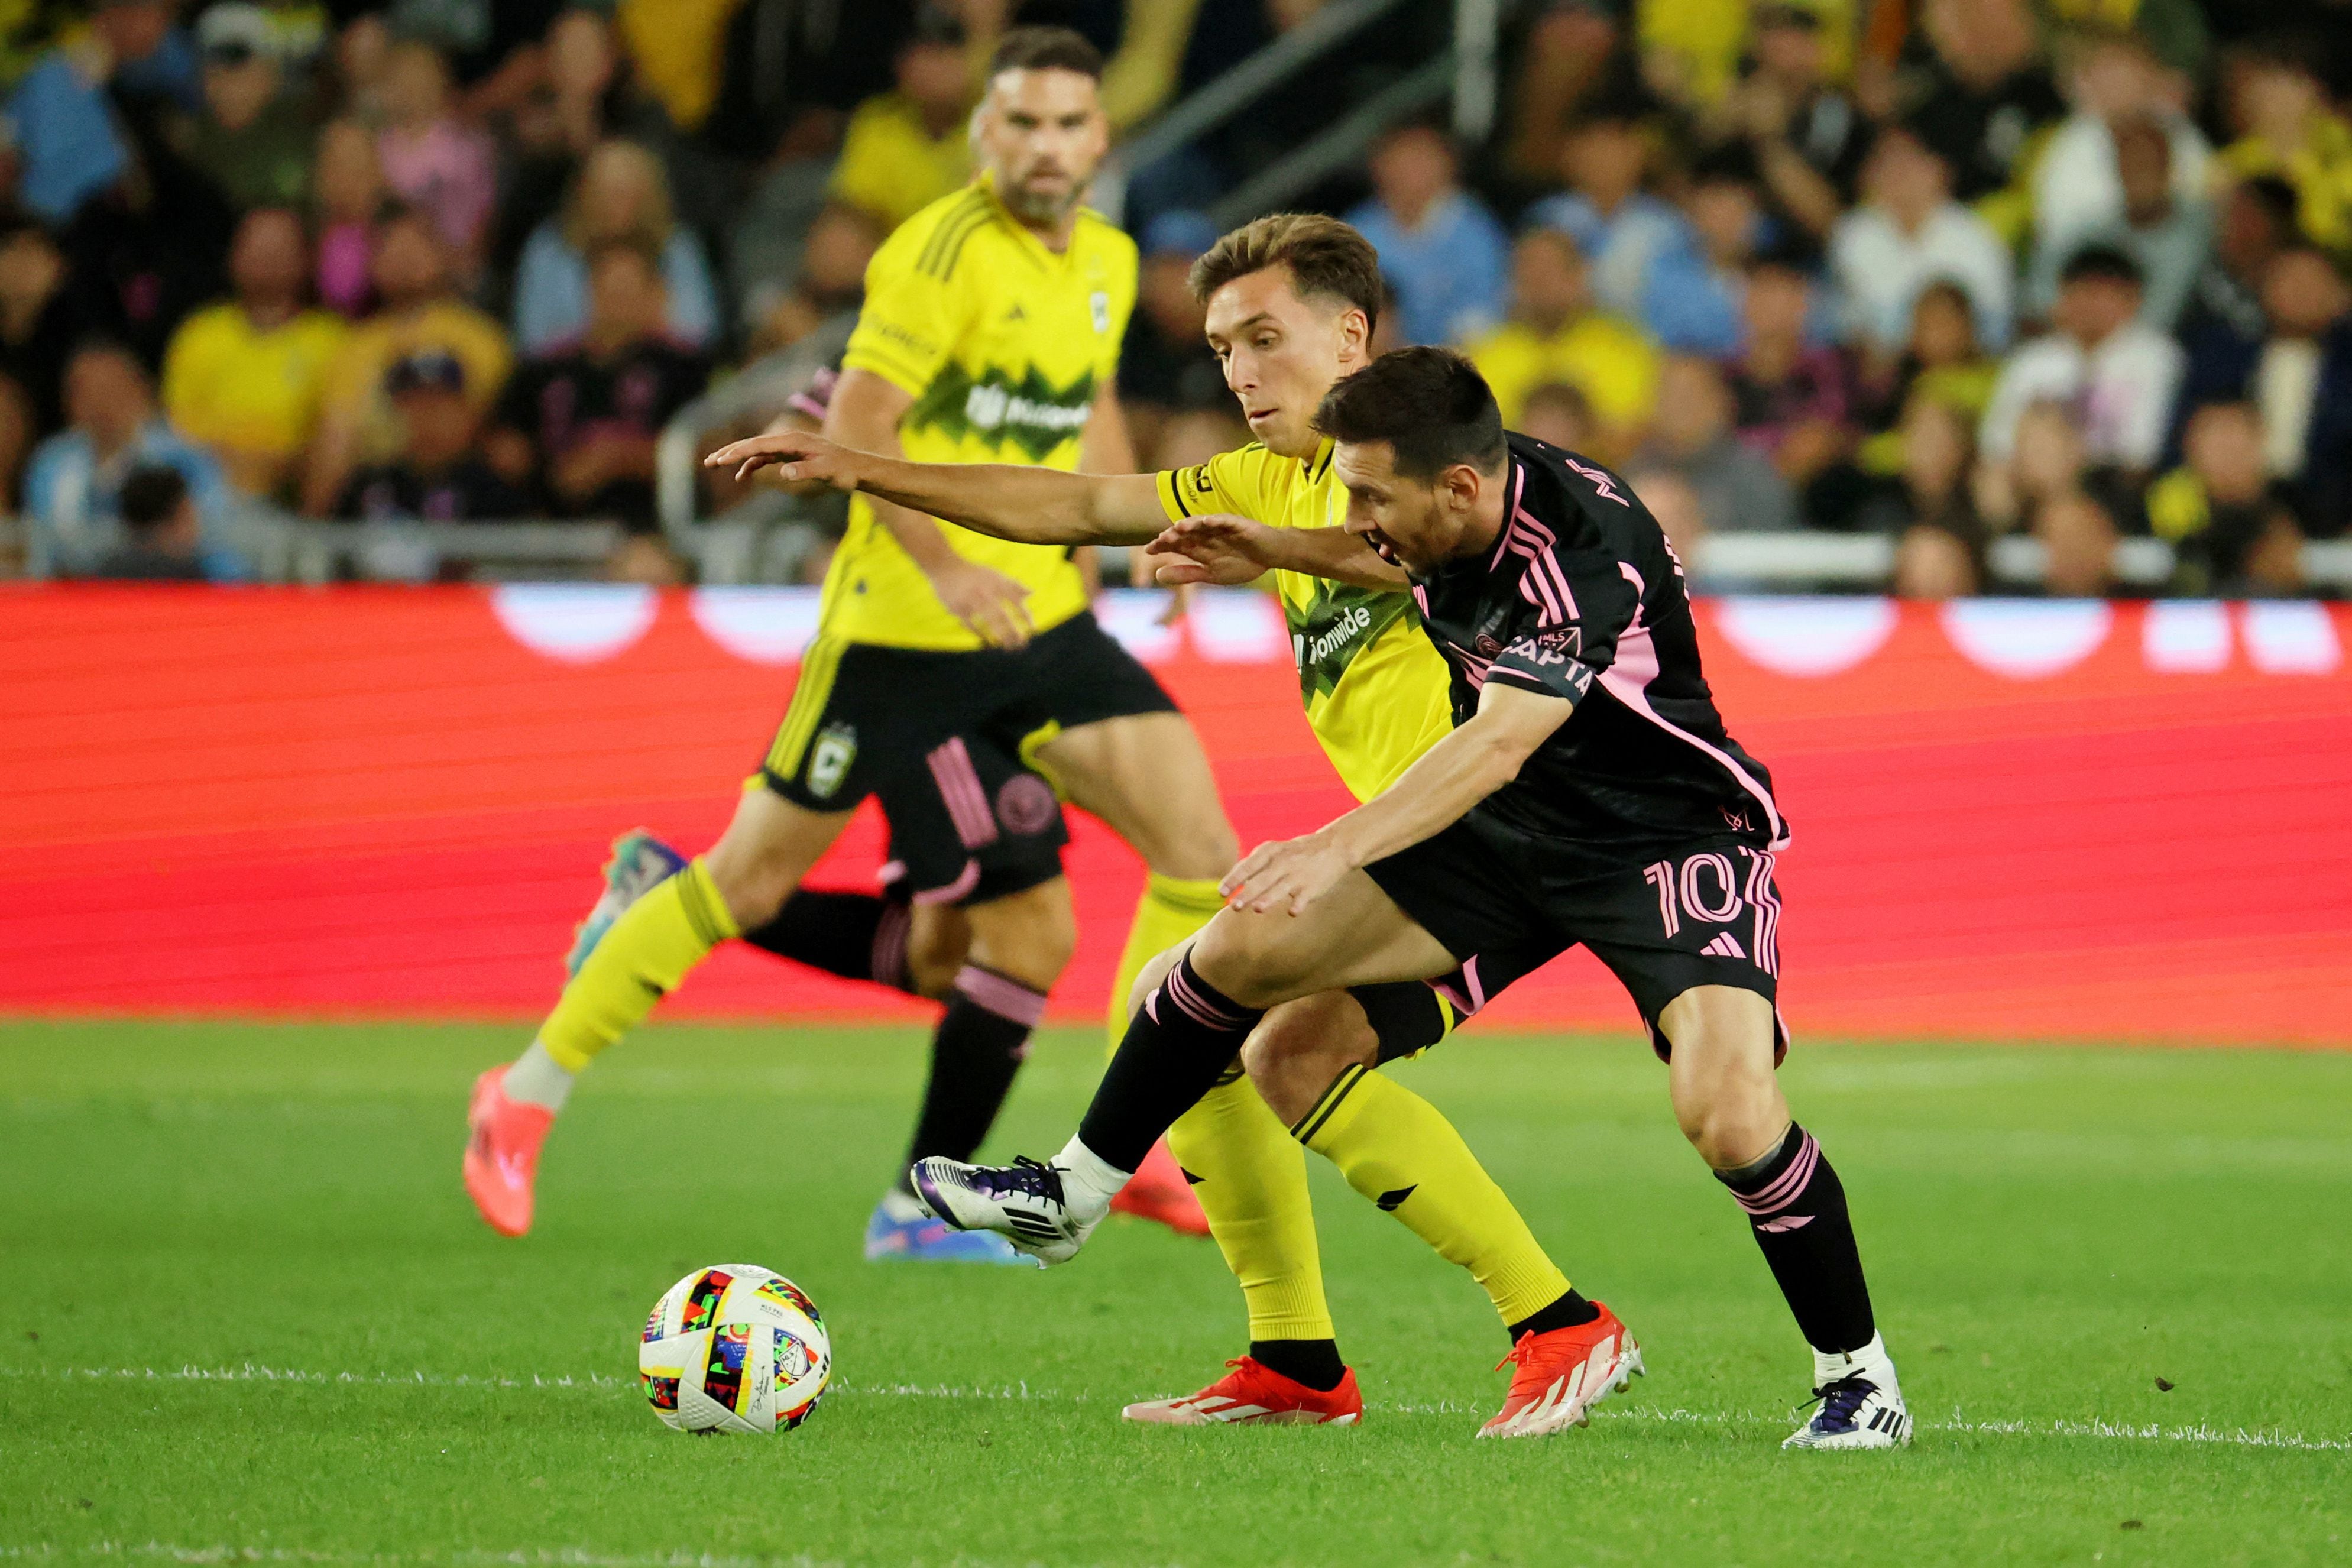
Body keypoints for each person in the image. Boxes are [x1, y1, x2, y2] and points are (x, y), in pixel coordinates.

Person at [757, 345, 1910, 1452]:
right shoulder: (1434, 494)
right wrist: (868, 469)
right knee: (1251, 1002)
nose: (1350, 517)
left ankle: (1856, 1379)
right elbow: (1315, 544)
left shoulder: (1583, 550)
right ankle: (1078, 1193)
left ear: (1455, 488)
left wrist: (1334, 848)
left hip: (1654, 841)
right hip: (1502, 841)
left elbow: (1501, 743)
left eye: (1364, 496)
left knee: (1725, 1112)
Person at [704, 214, 1628, 1439]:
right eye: (1221, 347)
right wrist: (867, 470)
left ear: (1352, 335)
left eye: (1266, 338)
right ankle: (1307, 1361)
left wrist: (1276, 551)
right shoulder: (1264, 477)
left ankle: (1546, 1322)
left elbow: (1422, 557)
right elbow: (1075, 499)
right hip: (1417, 839)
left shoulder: (1438, 457)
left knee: (1200, 996)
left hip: (1507, 830)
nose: (1240, 373)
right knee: (1252, 1045)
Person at [463, 30, 1232, 1273]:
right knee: (766, 884)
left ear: (1102, 139)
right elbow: (856, 438)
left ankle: (1114, 1142)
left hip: (1038, 622)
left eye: (1067, 126)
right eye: (1021, 124)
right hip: (902, 639)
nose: (1044, 148)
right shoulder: (934, 256)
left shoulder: (1107, 256)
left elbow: (1085, 403)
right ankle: (526, 1093)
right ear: (984, 134)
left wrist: (1129, 533)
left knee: (1196, 854)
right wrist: (951, 567)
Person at [303, 207, 514, 517]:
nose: (403, 259)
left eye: (416, 247)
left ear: (443, 256)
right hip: (375, 483)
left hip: (460, 482)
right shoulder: (354, 346)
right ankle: (316, 545)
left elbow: (484, 427)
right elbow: (338, 432)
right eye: (391, 248)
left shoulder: (482, 338)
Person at [486, 241, 707, 529]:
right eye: (607, 287)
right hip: (550, 523)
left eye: (627, 289)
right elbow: (506, 443)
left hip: (650, 526)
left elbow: (705, 451)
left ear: (657, 293)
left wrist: (616, 460)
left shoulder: (684, 366)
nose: (616, 300)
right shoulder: (545, 367)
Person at [158, 205, 347, 499]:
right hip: (204, 499)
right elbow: (176, 434)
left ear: (307, 260)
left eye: (279, 248)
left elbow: (334, 438)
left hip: (293, 501)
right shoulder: (198, 334)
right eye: (256, 246)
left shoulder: (333, 340)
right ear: (233, 256)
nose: (266, 258)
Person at [23, 341, 237, 580]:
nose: (100, 405)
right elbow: (46, 548)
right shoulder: (51, 463)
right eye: (86, 392)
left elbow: (218, 541)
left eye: (110, 389)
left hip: (171, 588)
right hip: (80, 594)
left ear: (141, 391)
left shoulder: (187, 458)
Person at [1980, 245, 2183, 477]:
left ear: (2133, 300)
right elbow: (1996, 442)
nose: (2090, 304)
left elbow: (2143, 451)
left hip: (2116, 482)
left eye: (2102, 294)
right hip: (2030, 479)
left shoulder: (2156, 357)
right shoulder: (2032, 359)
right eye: (2081, 291)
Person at [1463, 228, 1659, 463]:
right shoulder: (1487, 353)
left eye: (1551, 270)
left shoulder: (1622, 347)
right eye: (1528, 272)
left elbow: (1635, 433)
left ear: (1580, 275)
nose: (1540, 282)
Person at [511, 138, 718, 353]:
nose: (617, 203)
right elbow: (532, 341)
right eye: (606, 192)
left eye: (627, 192)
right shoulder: (550, 249)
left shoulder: (678, 248)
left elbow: (699, 331)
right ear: (585, 193)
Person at [1828, 124, 2013, 363]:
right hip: (1877, 370)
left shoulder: (1975, 235)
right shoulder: (1853, 234)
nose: (1898, 176)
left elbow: (1994, 329)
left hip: (1959, 366)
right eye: (1887, 165)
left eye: (1907, 164)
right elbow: (1845, 321)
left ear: (1938, 171)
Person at [1343, 122, 1509, 348]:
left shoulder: (1477, 232)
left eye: (1422, 157)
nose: (1412, 169)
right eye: (1401, 157)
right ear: (1378, 165)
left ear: (1450, 164)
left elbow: (1485, 315)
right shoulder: (1356, 230)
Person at [332, 350, 525, 522]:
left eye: (439, 406)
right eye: (412, 407)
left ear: (467, 414)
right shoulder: (367, 486)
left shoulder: (494, 494)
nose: (427, 421)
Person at [83, 463, 207, 581]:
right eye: (189, 516)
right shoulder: (188, 581)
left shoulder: (104, 572)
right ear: (172, 522)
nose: (197, 528)